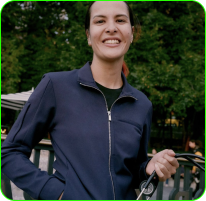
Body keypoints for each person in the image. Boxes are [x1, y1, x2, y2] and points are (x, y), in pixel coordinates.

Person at [1, 2, 179, 200]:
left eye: (120, 20)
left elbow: (131, 172)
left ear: (131, 33)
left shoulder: (142, 104)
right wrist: (57, 194)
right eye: (100, 21)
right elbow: (10, 152)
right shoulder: (55, 86)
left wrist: (149, 168)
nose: (111, 28)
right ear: (88, 35)